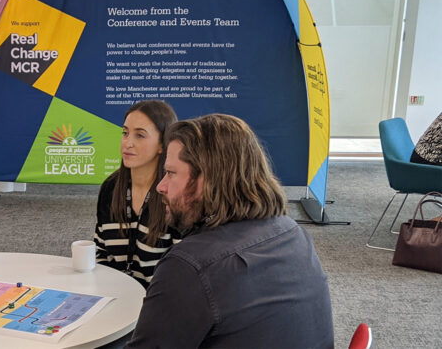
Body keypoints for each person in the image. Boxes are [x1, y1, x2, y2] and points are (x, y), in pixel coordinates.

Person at [126, 114, 334, 348]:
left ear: (208, 180)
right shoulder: (293, 233)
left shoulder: (189, 268)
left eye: (171, 173)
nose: (160, 186)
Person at [94, 100, 180, 288]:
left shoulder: (174, 192)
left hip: (160, 304)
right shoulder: (111, 187)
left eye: (140, 135)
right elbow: (100, 251)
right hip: (114, 297)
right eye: (125, 133)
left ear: (162, 145)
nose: (128, 143)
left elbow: (183, 269)